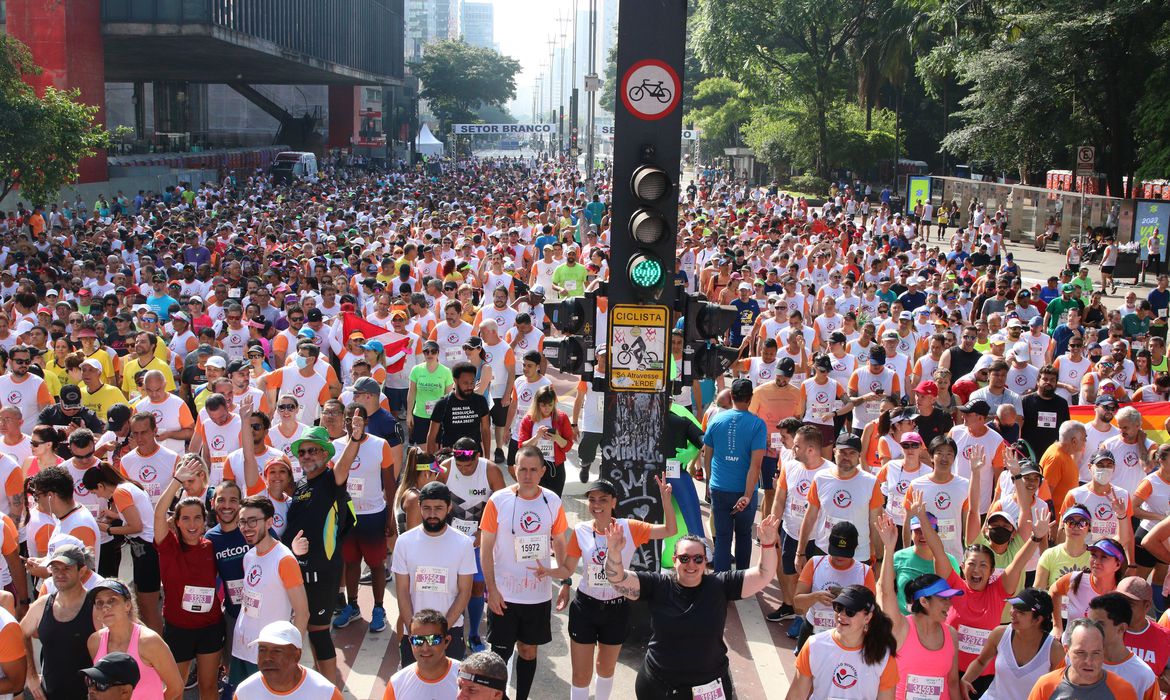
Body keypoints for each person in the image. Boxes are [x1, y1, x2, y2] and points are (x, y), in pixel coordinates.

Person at [604, 514, 780, 699]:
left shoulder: (720, 585)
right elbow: (617, 579)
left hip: (710, 688)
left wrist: (768, 545)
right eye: (684, 558)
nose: (691, 564)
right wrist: (614, 553)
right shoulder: (658, 585)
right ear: (674, 560)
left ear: (705, 561)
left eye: (698, 559)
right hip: (659, 687)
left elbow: (763, 575)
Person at [534, 477, 676, 700]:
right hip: (585, 608)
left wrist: (666, 500)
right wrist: (549, 571)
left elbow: (670, 529)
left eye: (603, 499)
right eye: (591, 500)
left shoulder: (630, 528)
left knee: (605, 669)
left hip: (616, 609)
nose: (596, 505)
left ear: (614, 503)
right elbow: (568, 569)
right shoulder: (581, 530)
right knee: (581, 675)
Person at [479, 445, 569, 700]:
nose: (527, 475)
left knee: (529, 651)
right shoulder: (498, 501)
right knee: (498, 656)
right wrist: (492, 590)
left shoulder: (552, 500)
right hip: (504, 595)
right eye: (522, 469)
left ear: (542, 471)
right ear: (514, 470)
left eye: (533, 470)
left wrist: (565, 579)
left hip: (537, 596)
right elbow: (486, 550)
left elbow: (560, 542)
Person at [281, 418, 361, 684]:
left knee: (318, 632)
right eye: (302, 451)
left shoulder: (330, 479)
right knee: (299, 633)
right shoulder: (300, 486)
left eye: (312, 450)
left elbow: (344, 466)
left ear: (325, 454)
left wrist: (355, 439)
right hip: (296, 571)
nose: (306, 456)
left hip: (322, 570)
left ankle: (330, 690)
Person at [152, 462, 224, 700]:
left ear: (205, 522)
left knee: (209, 687)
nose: (192, 524)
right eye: (186, 519)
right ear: (178, 522)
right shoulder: (168, 547)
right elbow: (158, 513)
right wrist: (177, 481)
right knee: (174, 689)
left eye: (197, 519)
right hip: (178, 628)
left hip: (210, 626)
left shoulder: (211, 546)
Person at [874, 513, 961, 700]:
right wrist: (889, 548)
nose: (949, 604)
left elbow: (953, 683)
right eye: (943, 599)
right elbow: (885, 591)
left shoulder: (952, 635)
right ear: (924, 601)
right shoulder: (900, 627)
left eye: (949, 598)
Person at [229, 495, 309, 688]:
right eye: (242, 522)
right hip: (241, 649)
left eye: (252, 521)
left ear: (269, 522)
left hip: (269, 656)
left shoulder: (284, 560)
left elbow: (302, 613)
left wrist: (291, 654)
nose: (246, 527)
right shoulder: (249, 556)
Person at [392, 480, 476, 663]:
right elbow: (402, 591)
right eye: (427, 508)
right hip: (413, 632)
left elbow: (465, 592)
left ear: (449, 508)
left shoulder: (463, 544)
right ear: (420, 507)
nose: (432, 514)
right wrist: (415, 632)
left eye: (438, 508)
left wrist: (441, 633)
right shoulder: (404, 542)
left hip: (450, 632)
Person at [81, 462, 161, 633]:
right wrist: (114, 516)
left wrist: (108, 529)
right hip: (144, 549)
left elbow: (136, 526)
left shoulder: (120, 492)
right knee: (144, 604)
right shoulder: (127, 487)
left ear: (101, 485)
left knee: (148, 608)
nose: (98, 496)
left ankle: (157, 648)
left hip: (147, 549)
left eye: (95, 492)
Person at [786, 583, 898, 700]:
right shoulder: (814, 645)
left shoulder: (883, 656)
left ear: (867, 618)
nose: (841, 615)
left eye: (850, 611)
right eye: (838, 608)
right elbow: (796, 695)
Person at [702, 377, 766, 572]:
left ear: (731, 396)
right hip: (743, 490)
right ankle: (742, 579)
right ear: (750, 398)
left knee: (722, 537)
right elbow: (755, 465)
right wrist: (747, 495)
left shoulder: (716, 419)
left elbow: (707, 455)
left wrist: (708, 483)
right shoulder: (758, 425)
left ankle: (721, 581)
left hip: (719, 487)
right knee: (744, 535)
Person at [19, 544, 97, 700]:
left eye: (66, 568)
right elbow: (20, 634)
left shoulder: (96, 606)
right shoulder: (42, 604)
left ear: (82, 571)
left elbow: (120, 642)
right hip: (49, 694)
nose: (60, 574)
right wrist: (32, 676)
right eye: (55, 569)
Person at [86, 578, 183, 700]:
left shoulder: (149, 642)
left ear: (127, 605)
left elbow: (176, 687)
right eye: (99, 603)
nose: (105, 607)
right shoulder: (94, 642)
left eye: (112, 600)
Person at [961, 587, 1064, 700]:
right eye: (1013, 607)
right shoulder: (999, 633)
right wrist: (966, 679)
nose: (1012, 613)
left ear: (1037, 620)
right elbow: (981, 662)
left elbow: (1059, 689)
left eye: (1021, 612)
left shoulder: (1055, 650)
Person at [233, 621, 342, 700]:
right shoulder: (244, 692)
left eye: (277, 651)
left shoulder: (325, 693)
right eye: (262, 650)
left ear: (297, 655)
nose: (267, 658)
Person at [1086, 592, 1160, 700]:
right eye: (1088, 623)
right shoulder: (1074, 660)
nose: (1090, 630)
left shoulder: (1143, 675)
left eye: (1099, 624)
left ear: (1121, 628)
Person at [1050, 537, 1126, 640]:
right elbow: (1053, 592)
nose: (1096, 561)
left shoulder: (1123, 592)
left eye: (1104, 557)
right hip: (1069, 652)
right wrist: (1057, 626)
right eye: (1094, 555)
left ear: (1117, 565)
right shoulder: (1074, 579)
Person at [384, 609, 462, 699]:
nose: (425, 648)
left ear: (447, 641)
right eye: (418, 640)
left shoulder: (467, 679)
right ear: (410, 642)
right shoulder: (397, 683)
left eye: (433, 640)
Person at [516, 385, 574, 497]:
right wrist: (537, 436)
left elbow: (568, 446)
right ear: (537, 404)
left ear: (554, 403)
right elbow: (521, 447)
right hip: (534, 467)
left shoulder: (562, 418)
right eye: (543, 405)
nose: (547, 409)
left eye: (550, 405)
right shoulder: (528, 419)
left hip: (555, 468)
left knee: (554, 502)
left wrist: (557, 438)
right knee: (533, 500)